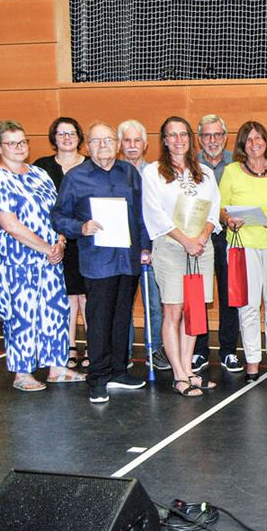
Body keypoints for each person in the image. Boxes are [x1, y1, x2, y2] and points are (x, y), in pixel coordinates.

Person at [52, 121, 151, 403]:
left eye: (108, 140)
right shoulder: (76, 177)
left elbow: (141, 215)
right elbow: (59, 216)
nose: (103, 145)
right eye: (96, 141)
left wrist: (146, 247)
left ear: (117, 145)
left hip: (128, 259)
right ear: (88, 146)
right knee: (98, 319)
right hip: (98, 262)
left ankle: (119, 371)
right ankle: (98, 377)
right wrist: (80, 227)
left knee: (122, 317)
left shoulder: (129, 173)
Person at [0, 120, 82, 391]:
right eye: (12, 143)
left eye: (23, 141)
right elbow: (10, 224)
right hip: (15, 261)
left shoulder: (39, 173)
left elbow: (57, 212)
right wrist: (47, 248)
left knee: (55, 311)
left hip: (50, 258)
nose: (19, 147)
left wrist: (59, 242)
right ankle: (22, 373)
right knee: (21, 315)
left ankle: (58, 368)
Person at [142, 116, 222, 397]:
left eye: (183, 135)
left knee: (194, 311)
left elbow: (213, 211)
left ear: (191, 138)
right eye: (172, 135)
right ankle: (178, 374)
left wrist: (200, 239)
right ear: (164, 140)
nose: (178, 140)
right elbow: (155, 214)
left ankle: (189, 370)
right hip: (171, 249)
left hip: (201, 248)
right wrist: (186, 241)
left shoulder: (205, 172)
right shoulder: (153, 172)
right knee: (173, 311)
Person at [218, 121, 267, 383]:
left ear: (266, 141)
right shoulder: (231, 171)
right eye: (248, 140)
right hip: (243, 245)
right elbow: (221, 209)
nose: (254, 144)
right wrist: (228, 219)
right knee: (248, 304)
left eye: (258, 139)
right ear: (242, 145)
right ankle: (253, 358)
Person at [33, 117, 88, 371]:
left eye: (71, 133)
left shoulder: (90, 165)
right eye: (61, 133)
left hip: (87, 240)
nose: (66, 138)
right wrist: (57, 238)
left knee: (87, 295)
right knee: (65, 297)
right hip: (54, 242)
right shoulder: (41, 167)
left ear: (79, 137)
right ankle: (68, 347)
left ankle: (92, 346)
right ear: (53, 138)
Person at [192, 114, 241, 374]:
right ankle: (199, 351)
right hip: (197, 237)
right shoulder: (189, 164)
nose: (212, 141)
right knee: (197, 295)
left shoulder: (237, 163)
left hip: (228, 237)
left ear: (225, 136)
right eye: (207, 136)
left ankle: (229, 351)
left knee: (228, 294)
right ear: (199, 139)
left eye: (217, 135)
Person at [118, 119, 168, 372]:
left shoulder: (155, 172)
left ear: (146, 144)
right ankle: (122, 353)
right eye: (127, 140)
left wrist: (147, 246)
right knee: (122, 304)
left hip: (151, 248)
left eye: (137, 140)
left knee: (154, 303)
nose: (132, 145)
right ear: (120, 144)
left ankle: (155, 350)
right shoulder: (113, 173)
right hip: (120, 251)